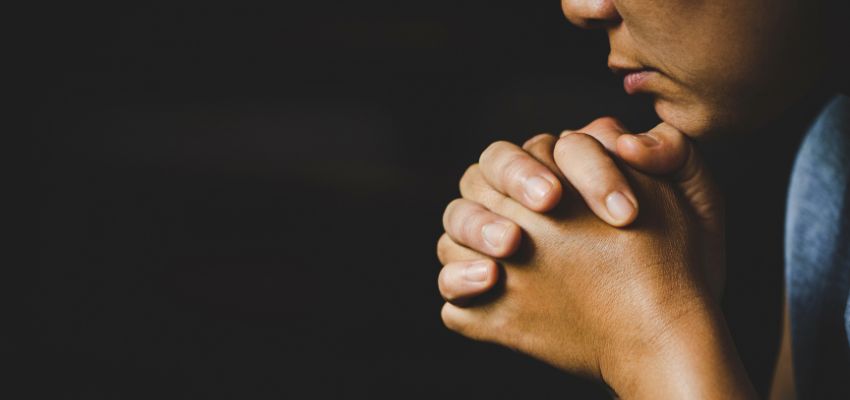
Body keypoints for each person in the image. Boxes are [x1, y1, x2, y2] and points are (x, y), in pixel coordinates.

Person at [435, 0, 849, 398]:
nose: (581, 7)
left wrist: (651, 341)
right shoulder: (831, 162)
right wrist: (679, 311)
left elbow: (652, 349)